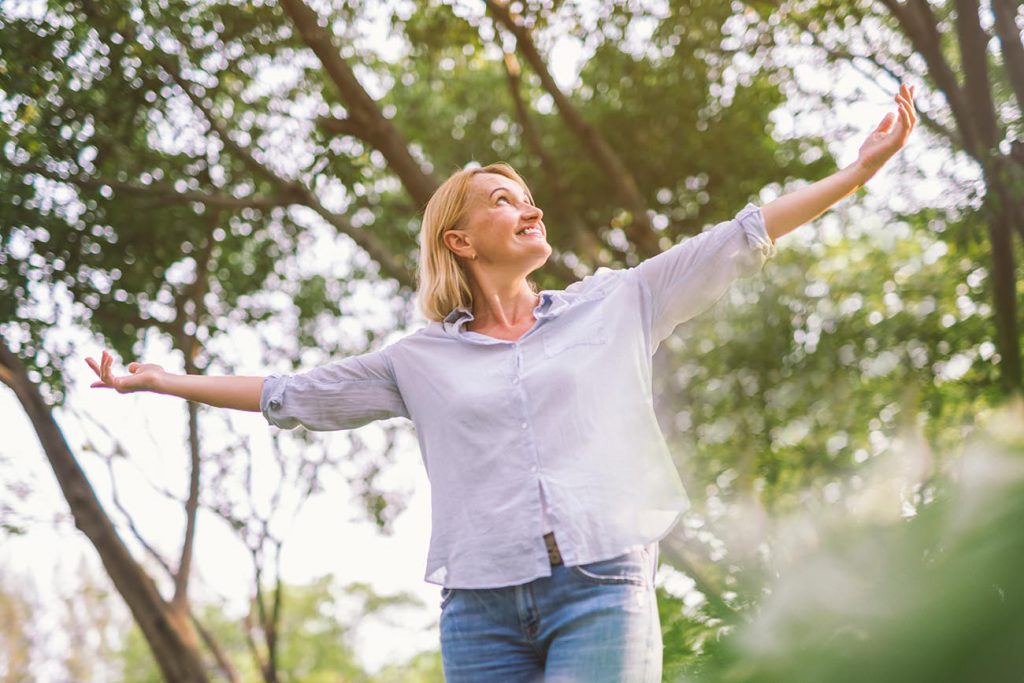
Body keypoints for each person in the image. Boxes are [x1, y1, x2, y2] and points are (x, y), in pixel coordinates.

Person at [87, 85, 917, 682]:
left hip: (601, 583)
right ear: (459, 240)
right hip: (477, 608)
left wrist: (858, 171)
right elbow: (294, 393)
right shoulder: (418, 360)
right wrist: (163, 381)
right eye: (502, 200)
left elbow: (743, 235)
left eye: (528, 197)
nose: (530, 209)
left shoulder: (619, 300)